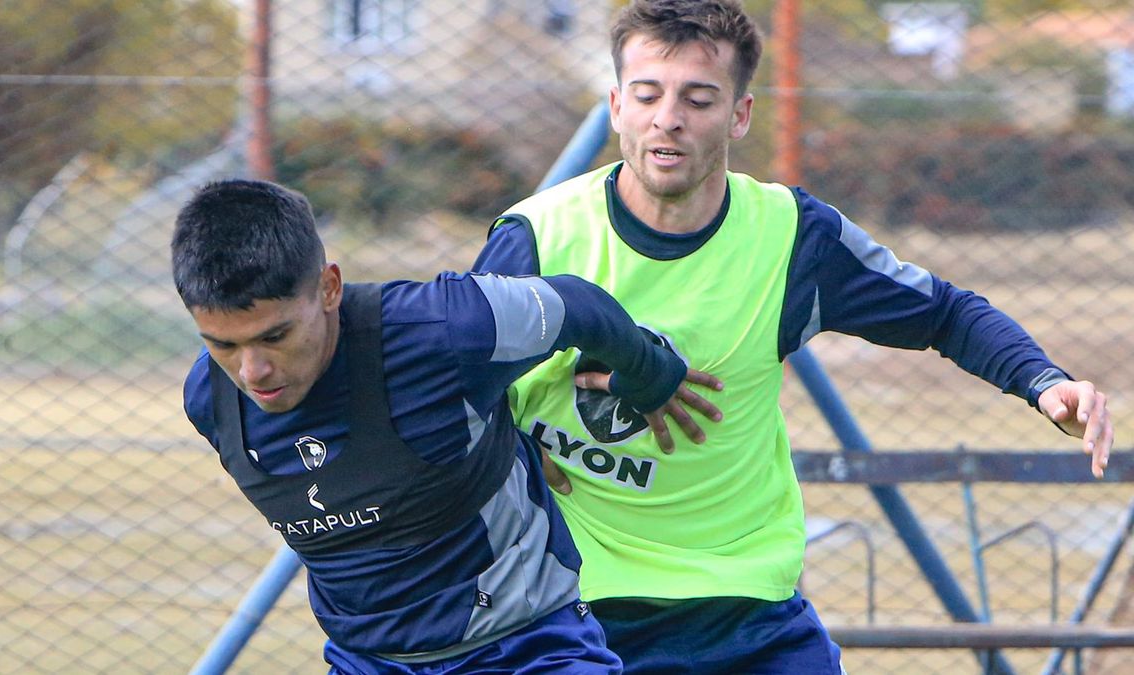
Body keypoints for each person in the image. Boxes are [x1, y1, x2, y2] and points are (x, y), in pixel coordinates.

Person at [471, 1, 1116, 673]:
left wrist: (1043, 381)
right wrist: (506, 453)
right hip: (568, 606)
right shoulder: (537, 236)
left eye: (699, 99)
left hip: (744, 604)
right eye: (647, 95)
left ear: (739, 114)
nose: (668, 118)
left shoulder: (792, 237)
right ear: (616, 105)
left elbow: (945, 313)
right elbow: (436, 389)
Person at [171, 179, 703, 673]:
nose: (252, 372)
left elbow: (578, 306)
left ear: (329, 288)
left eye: (275, 336)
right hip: (367, 661)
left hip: (525, 648)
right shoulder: (210, 401)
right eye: (222, 344)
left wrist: (650, 375)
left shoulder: (448, 330)